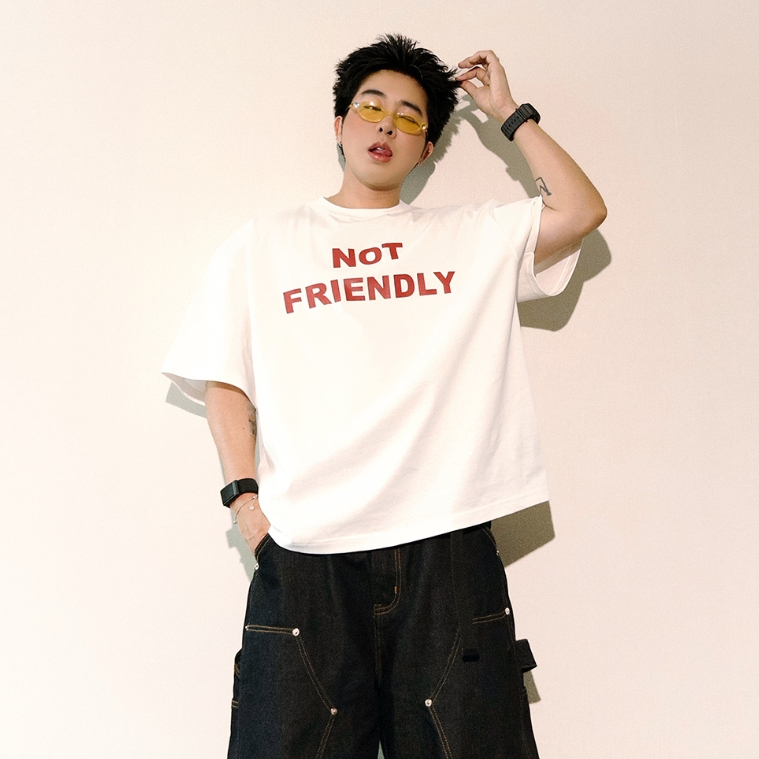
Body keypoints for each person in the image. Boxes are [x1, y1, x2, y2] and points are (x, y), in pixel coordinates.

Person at [163, 34, 605, 759]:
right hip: (306, 553)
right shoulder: (263, 243)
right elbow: (224, 381)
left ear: (426, 149)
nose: (385, 125)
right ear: (339, 124)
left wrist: (507, 111)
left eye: (408, 117)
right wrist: (246, 505)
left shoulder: (470, 235)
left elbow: (581, 209)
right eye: (371, 107)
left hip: (446, 548)